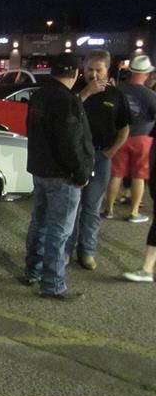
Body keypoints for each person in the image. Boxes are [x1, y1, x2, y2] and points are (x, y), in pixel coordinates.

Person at [23, 52, 94, 301]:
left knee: (39, 223)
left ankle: (32, 270)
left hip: (40, 169)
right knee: (59, 230)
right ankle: (52, 285)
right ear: (75, 73)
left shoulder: (39, 95)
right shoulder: (67, 100)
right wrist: (81, 172)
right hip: (62, 175)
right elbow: (71, 141)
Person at [65, 50, 130, 270]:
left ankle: (87, 252)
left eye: (98, 70)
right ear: (82, 70)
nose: (93, 75)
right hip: (75, 157)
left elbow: (124, 128)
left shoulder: (116, 95)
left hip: (101, 157)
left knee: (92, 207)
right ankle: (66, 250)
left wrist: (111, 152)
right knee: (72, 207)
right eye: (89, 70)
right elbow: (66, 118)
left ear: (107, 70)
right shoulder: (74, 91)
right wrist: (85, 93)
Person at [103, 54, 156, 223]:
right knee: (139, 176)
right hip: (142, 139)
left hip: (120, 137)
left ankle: (108, 210)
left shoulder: (118, 89)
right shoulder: (150, 95)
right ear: (146, 74)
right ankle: (134, 212)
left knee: (116, 174)